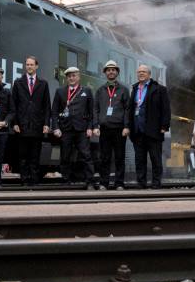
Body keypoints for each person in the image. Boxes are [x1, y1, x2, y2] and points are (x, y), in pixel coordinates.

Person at [51, 66, 97, 190]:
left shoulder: (86, 91)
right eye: (69, 76)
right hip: (65, 129)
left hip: (82, 130)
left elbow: (91, 111)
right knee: (65, 156)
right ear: (66, 78)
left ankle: (90, 182)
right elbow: (54, 111)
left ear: (79, 77)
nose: (71, 78)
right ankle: (65, 181)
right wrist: (55, 127)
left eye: (74, 75)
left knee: (86, 156)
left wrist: (90, 127)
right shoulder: (60, 91)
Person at [127, 64, 170, 188]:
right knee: (139, 159)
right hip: (137, 130)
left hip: (154, 130)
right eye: (139, 72)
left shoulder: (160, 89)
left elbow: (166, 109)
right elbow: (131, 109)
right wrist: (129, 126)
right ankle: (141, 183)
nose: (141, 74)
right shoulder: (134, 89)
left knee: (155, 158)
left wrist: (164, 126)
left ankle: (156, 183)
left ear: (149, 74)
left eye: (144, 72)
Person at [11, 56, 50, 186]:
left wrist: (46, 124)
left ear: (36, 66)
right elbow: (14, 105)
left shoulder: (43, 84)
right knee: (22, 155)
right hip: (22, 126)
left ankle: (33, 179)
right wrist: (15, 123)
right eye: (27, 64)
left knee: (35, 155)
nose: (29, 67)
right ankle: (24, 179)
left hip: (37, 125)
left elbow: (46, 106)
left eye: (31, 64)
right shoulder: (18, 82)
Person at [93, 60, 131, 190]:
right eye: (108, 70)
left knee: (120, 157)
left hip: (119, 129)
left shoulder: (124, 90)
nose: (111, 72)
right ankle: (104, 183)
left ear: (117, 72)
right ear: (105, 73)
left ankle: (119, 183)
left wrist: (126, 126)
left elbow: (127, 109)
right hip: (104, 129)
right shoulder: (100, 91)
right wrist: (95, 125)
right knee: (104, 157)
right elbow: (95, 109)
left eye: (113, 70)